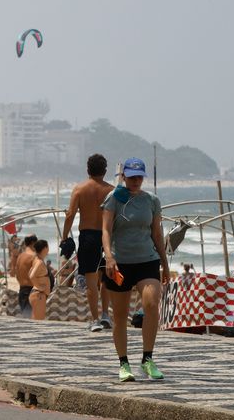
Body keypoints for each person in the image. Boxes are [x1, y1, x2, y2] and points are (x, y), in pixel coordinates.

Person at [101, 157, 169, 382]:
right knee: (120, 316)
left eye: (139, 176)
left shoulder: (152, 200)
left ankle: (148, 359)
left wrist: (165, 264)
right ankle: (123, 363)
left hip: (147, 261)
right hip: (119, 263)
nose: (136, 180)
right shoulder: (114, 198)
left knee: (151, 302)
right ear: (124, 176)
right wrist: (109, 257)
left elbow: (157, 234)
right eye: (131, 176)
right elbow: (106, 230)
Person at [61, 153, 114, 332]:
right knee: (106, 278)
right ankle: (106, 314)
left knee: (91, 281)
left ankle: (95, 319)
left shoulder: (80, 189)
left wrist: (64, 236)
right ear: (105, 171)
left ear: (88, 169)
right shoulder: (112, 190)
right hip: (108, 237)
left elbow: (70, 215)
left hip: (88, 237)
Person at [15, 235, 39, 317]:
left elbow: (17, 275)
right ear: (33, 243)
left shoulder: (20, 256)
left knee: (26, 318)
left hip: (22, 291)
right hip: (32, 291)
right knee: (32, 319)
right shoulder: (34, 256)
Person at [28, 239, 51, 320]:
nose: (48, 249)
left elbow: (30, 272)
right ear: (44, 248)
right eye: (48, 247)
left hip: (38, 294)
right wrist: (39, 286)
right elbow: (31, 276)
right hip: (39, 294)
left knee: (36, 320)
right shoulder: (39, 262)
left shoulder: (37, 260)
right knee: (38, 321)